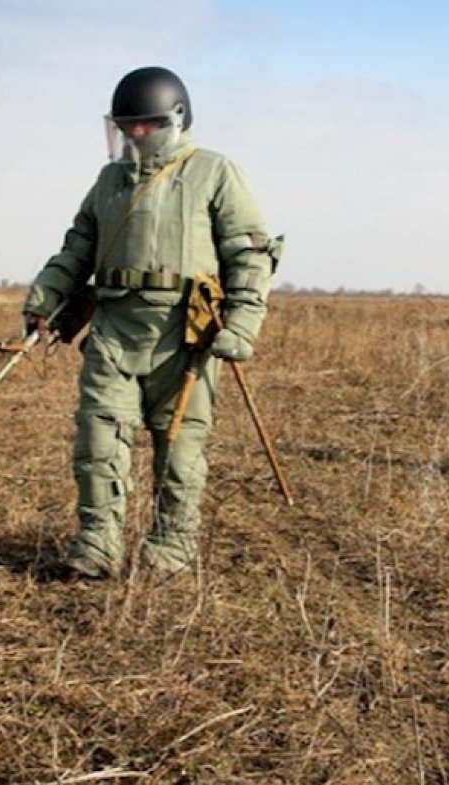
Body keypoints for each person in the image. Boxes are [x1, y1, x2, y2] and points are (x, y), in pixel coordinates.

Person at [23, 66, 278, 577]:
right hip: (114, 330)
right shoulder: (108, 181)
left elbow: (249, 253)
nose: (135, 135)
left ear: (176, 120)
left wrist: (243, 324)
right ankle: (96, 547)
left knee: (179, 449)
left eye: (146, 125)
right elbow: (77, 248)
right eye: (126, 126)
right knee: (98, 440)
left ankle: (169, 550)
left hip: (185, 337)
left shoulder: (214, 172)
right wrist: (44, 299)